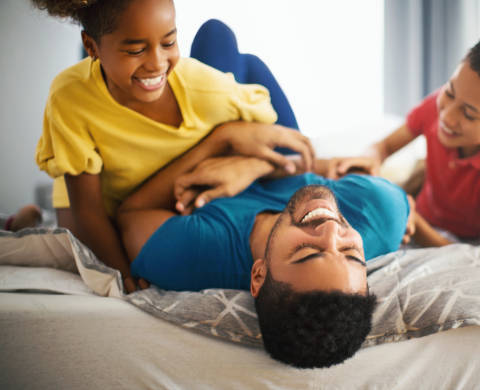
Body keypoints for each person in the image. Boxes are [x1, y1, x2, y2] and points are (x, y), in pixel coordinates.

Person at [32, 0, 314, 292]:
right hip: (105, 191)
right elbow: (88, 210)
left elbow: (290, 145)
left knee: (216, 36)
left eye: (169, 42)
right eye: (136, 50)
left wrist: (247, 159)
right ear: (90, 45)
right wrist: (125, 276)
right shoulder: (69, 96)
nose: (156, 62)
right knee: (72, 238)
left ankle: (124, 57)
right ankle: (24, 220)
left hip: (158, 192)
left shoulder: (207, 89)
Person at [114, 133, 413, 368]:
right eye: (351, 254)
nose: (333, 228)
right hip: (284, 150)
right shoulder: (379, 213)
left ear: (258, 275)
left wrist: (225, 138)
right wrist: (257, 165)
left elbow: (132, 212)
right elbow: (331, 166)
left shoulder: (193, 256)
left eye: (308, 252)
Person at [327, 34, 480, 247]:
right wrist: (370, 159)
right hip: (419, 209)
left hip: (452, 239)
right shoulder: (438, 105)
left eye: (469, 113)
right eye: (450, 93)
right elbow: (383, 147)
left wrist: (412, 220)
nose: (447, 116)